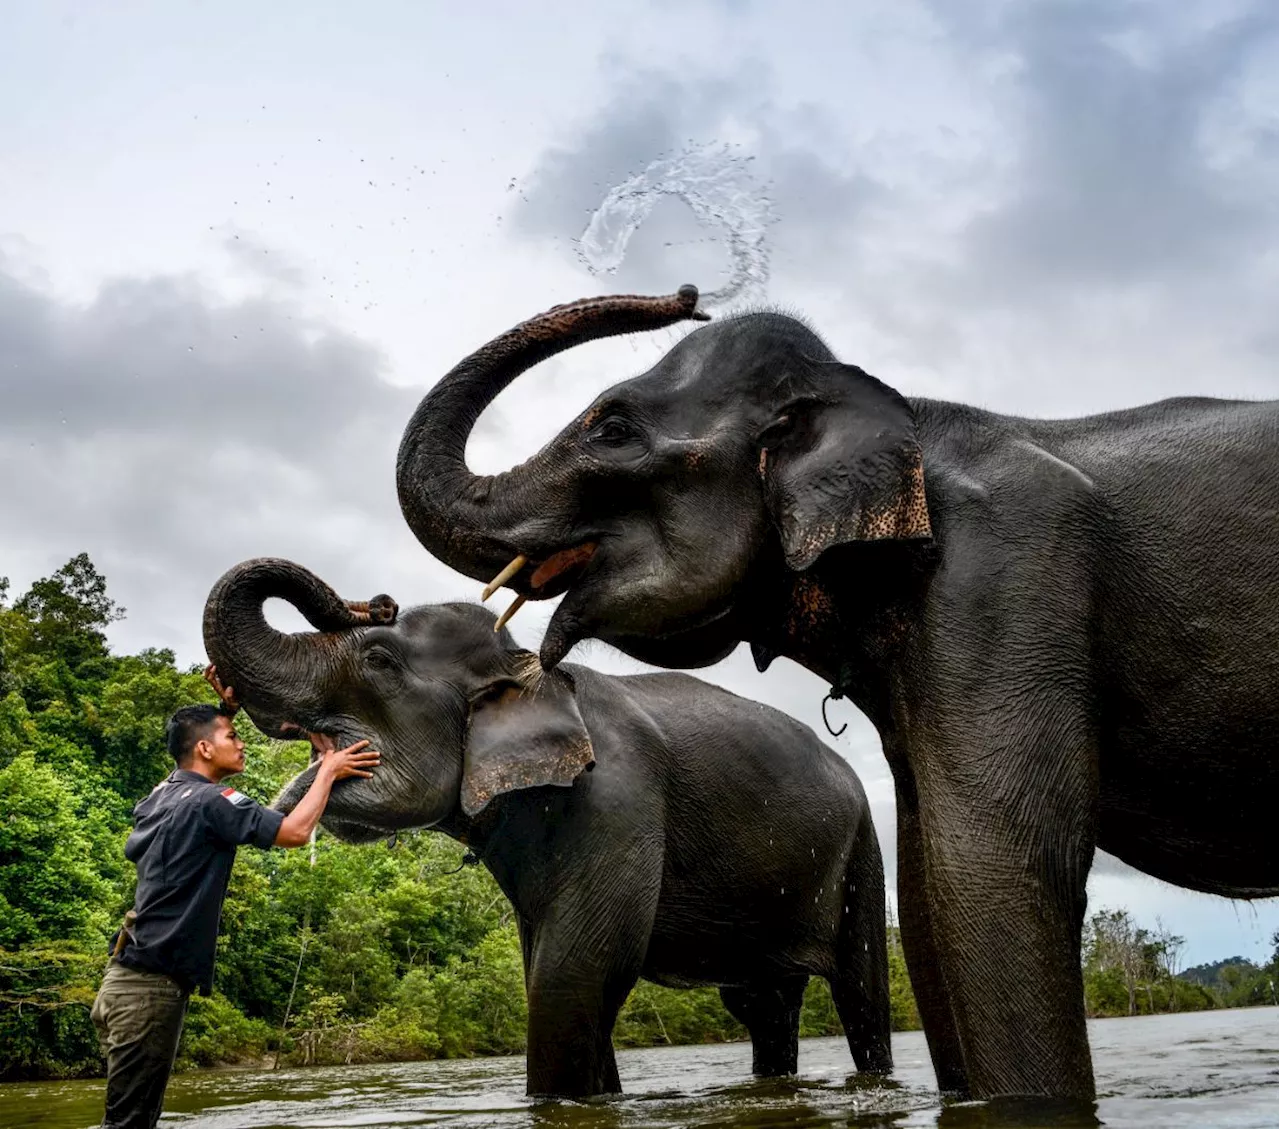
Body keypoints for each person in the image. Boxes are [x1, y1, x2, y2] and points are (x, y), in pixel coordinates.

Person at [89, 665, 378, 1129]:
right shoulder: (209, 801)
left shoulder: (160, 795)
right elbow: (294, 831)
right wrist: (328, 770)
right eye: (231, 735)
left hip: (120, 988)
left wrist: (226, 710)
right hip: (148, 994)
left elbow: (185, 758)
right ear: (204, 749)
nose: (240, 742)